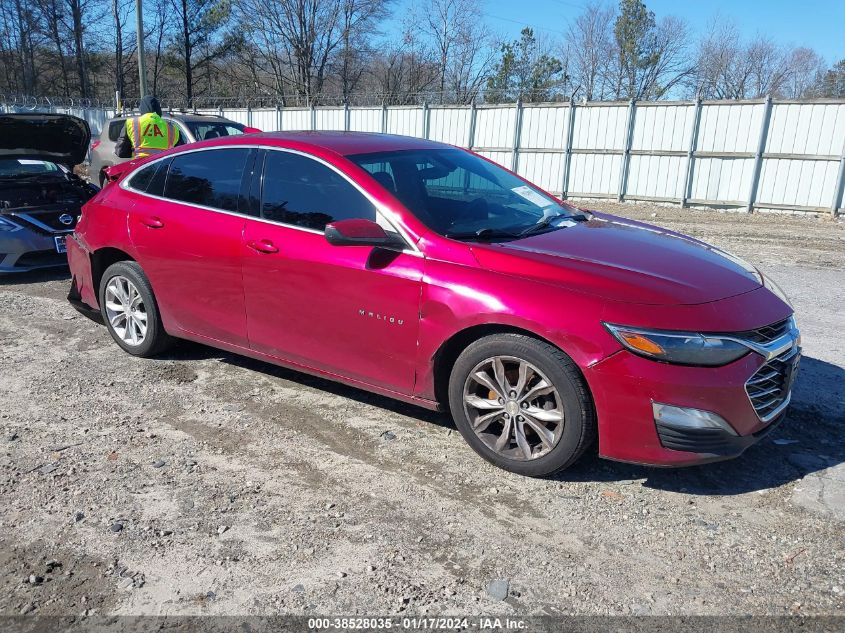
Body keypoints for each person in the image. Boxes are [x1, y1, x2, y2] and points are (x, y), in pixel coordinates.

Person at [114, 95, 179, 159]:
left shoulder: (132, 123)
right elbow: (179, 152)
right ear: (158, 109)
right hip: (163, 166)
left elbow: (120, 152)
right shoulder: (172, 128)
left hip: (140, 166)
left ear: (142, 108)